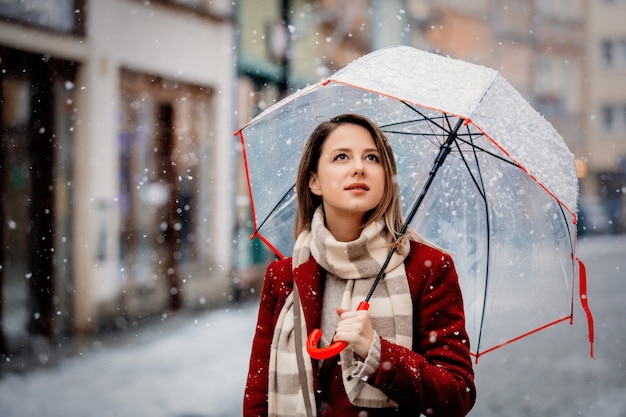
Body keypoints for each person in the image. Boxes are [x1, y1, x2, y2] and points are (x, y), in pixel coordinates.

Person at [243, 114, 475, 417]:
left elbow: (456, 394)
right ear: (314, 181)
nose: (359, 168)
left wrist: (377, 352)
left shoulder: (427, 268)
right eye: (341, 157)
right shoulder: (284, 276)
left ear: (386, 177)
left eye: (372, 158)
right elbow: (258, 398)